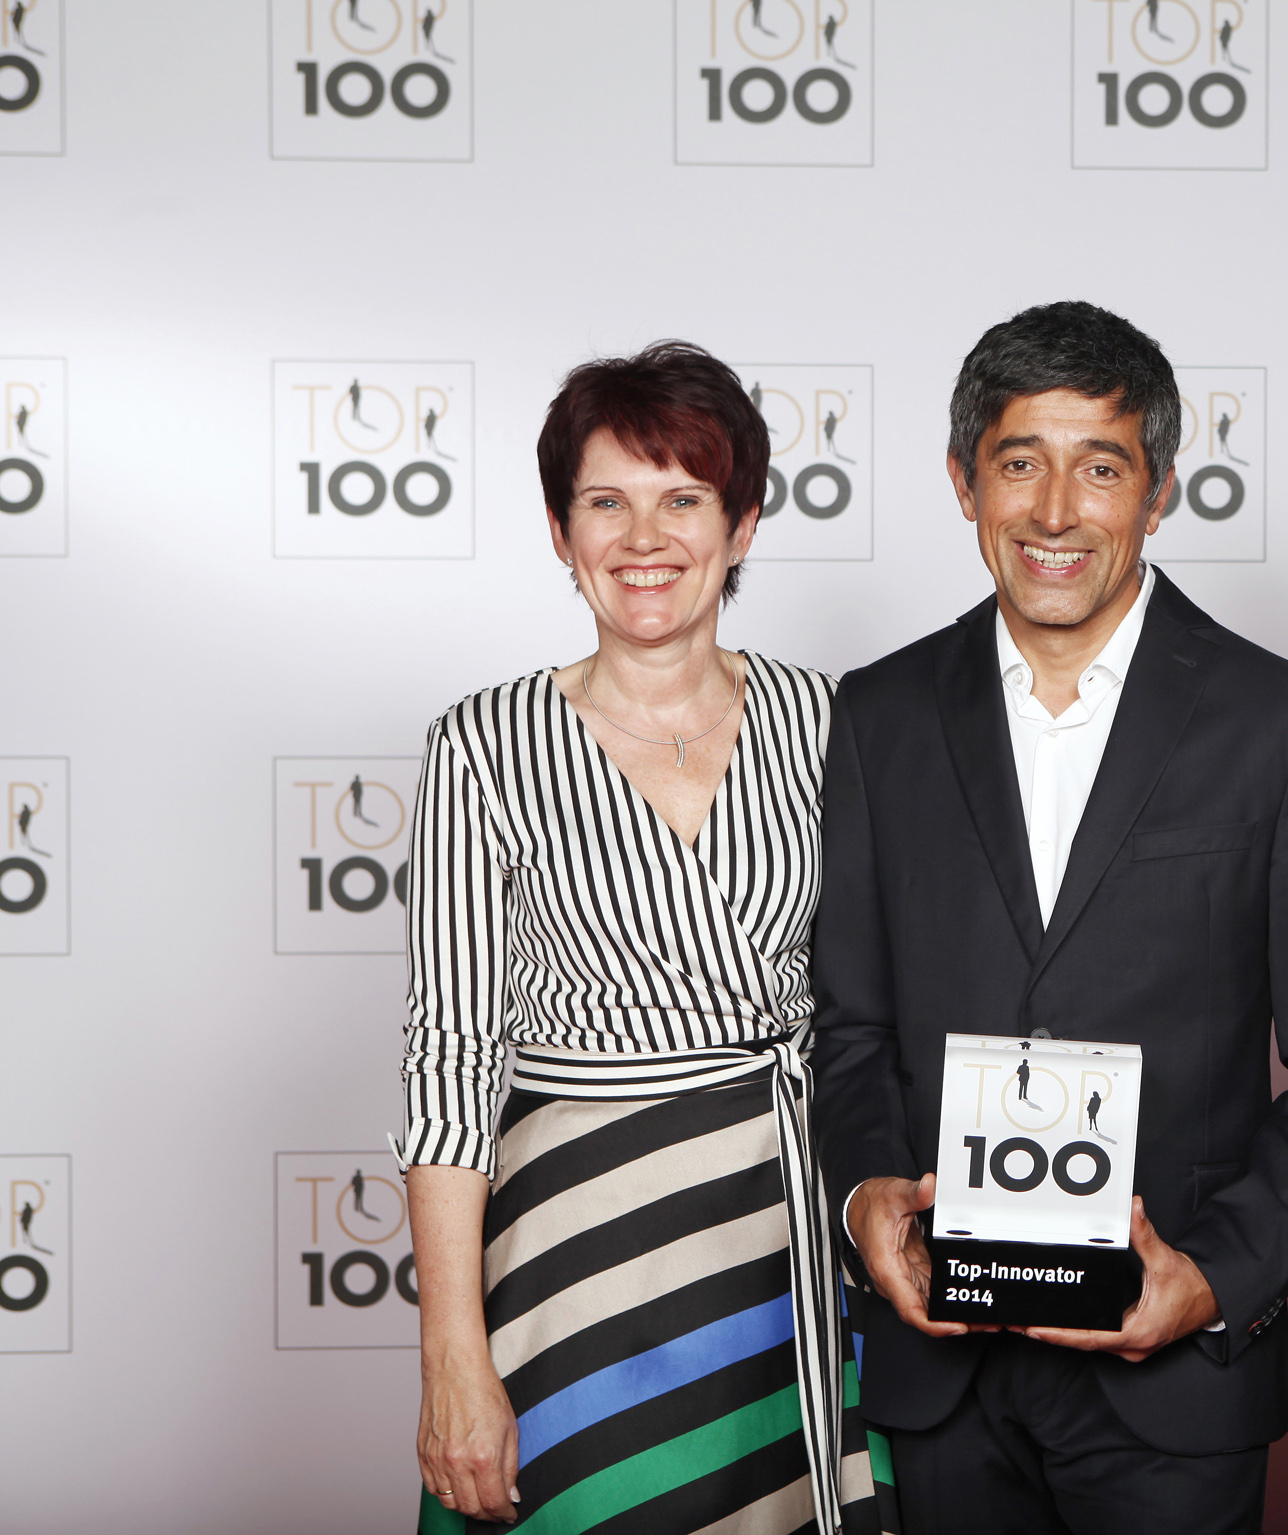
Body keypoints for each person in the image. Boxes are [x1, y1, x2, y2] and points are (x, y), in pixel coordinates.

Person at [810, 301, 1288, 1535]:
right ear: (964, 482)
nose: (1055, 510)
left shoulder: (1281, 723)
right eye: (1019, 462)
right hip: (941, 1364)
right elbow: (850, 1031)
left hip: (1171, 1379)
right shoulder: (878, 714)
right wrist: (866, 1197)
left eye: (1101, 467)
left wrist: (1215, 1276)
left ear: (1159, 490)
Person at [397, 342, 892, 1535]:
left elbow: (888, 999)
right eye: (604, 502)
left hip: (785, 1235)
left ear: (742, 523)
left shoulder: (833, 719)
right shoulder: (482, 743)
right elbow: (450, 1058)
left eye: (682, 499)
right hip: (579, 1255)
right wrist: (452, 1350)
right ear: (560, 532)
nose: (643, 537)